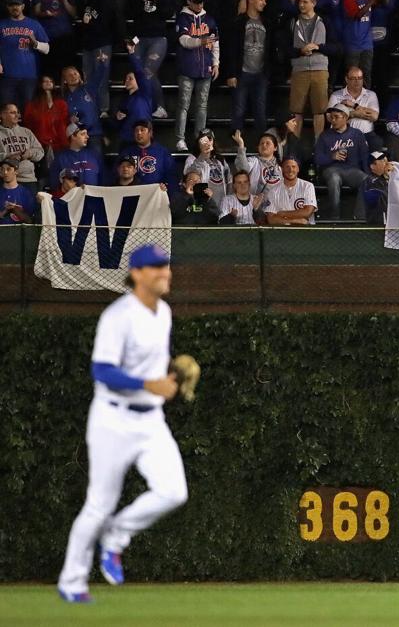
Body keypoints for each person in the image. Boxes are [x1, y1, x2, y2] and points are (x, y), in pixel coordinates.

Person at [55, 242, 191, 604]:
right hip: (113, 418)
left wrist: (169, 379)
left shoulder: (163, 312)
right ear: (136, 274)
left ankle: (115, 537)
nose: (165, 272)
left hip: (151, 421)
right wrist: (150, 384)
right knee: (98, 504)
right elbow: (102, 370)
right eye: (157, 267)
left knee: (174, 491)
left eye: (166, 266)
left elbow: (150, 370)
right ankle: (72, 581)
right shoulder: (119, 316)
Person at [174, 0, 220, 151]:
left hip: (205, 68)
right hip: (187, 68)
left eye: (201, 1)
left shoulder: (210, 19)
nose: (199, 4)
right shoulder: (183, 18)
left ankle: (199, 138)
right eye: (196, 1)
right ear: (189, 1)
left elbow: (215, 43)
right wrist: (201, 40)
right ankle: (180, 139)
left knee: (202, 106)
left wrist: (216, 64)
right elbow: (184, 40)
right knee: (184, 104)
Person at [287, 0, 337, 137]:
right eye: (300, 2)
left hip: (320, 70)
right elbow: (284, 48)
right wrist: (300, 51)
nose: (301, 5)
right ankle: (294, 145)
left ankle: (319, 143)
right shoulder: (291, 22)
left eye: (305, 2)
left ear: (313, 3)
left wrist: (318, 47)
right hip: (299, 70)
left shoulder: (324, 21)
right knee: (296, 110)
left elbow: (337, 47)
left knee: (320, 110)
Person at [223, 0, 270, 136]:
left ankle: (261, 146)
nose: (264, 3)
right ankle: (237, 145)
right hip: (242, 72)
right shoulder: (239, 22)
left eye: (265, 0)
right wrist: (231, 73)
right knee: (238, 110)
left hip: (260, 73)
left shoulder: (267, 22)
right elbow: (232, 49)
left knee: (260, 110)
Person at [315, 106, 371, 220]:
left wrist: (368, 173)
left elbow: (364, 156)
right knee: (334, 178)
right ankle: (335, 217)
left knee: (366, 180)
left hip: (352, 170)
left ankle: (359, 217)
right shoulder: (325, 135)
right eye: (331, 117)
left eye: (336, 117)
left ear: (345, 117)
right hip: (331, 169)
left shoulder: (357, 134)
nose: (333, 120)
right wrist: (332, 156)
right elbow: (317, 158)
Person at [0, 0, 50, 107]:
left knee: (28, 111)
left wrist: (36, 44)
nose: (14, 8)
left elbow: (47, 49)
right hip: (7, 76)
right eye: (11, 5)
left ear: (22, 6)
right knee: (7, 110)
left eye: (17, 5)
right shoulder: (2, 24)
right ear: (7, 7)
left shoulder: (33, 24)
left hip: (29, 75)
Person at [329, 66, 382, 149]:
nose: (357, 81)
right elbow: (330, 117)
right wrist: (354, 114)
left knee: (377, 142)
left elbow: (374, 116)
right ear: (347, 79)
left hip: (366, 134)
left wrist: (354, 106)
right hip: (342, 133)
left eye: (359, 78)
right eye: (353, 78)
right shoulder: (336, 95)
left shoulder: (371, 95)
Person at [0, 101, 44, 194]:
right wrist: (8, 156)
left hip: (28, 180)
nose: (17, 115)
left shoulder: (26, 132)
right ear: (3, 115)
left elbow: (40, 152)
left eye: (17, 112)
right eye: (13, 113)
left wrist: (29, 153)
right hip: (6, 180)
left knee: (31, 208)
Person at [182, 129, 231, 207]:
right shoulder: (192, 159)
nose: (206, 142)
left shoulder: (220, 159)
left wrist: (228, 201)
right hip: (203, 205)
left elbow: (229, 181)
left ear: (213, 141)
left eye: (209, 139)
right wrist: (202, 155)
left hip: (222, 205)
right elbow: (188, 177)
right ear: (198, 143)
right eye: (203, 140)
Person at [119, 120, 175, 187]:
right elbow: (117, 173)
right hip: (133, 192)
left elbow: (171, 175)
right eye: (136, 130)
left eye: (142, 130)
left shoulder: (162, 152)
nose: (139, 133)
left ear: (150, 133)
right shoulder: (127, 152)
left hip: (155, 193)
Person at [264, 156, 317, 225]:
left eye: (293, 166)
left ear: (298, 169)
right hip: (283, 232)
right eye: (287, 167)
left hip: (306, 231)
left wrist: (282, 213)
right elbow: (271, 219)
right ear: (282, 169)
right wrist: (295, 221)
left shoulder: (307, 186)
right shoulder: (273, 190)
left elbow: (307, 212)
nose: (290, 170)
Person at [48, 124, 102, 191]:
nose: (87, 136)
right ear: (73, 136)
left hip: (93, 198)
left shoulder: (94, 155)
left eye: (87, 133)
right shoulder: (60, 158)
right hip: (71, 199)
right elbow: (54, 184)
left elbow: (103, 178)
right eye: (83, 134)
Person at [232, 129, 282, 197]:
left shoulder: (281, 165)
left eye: (268, 143)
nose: (264, 145)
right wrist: (241, 145)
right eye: (261, 143)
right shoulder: (253, 161)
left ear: (275, 148)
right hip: (256, 204)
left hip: (278, 204)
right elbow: (242, 168)